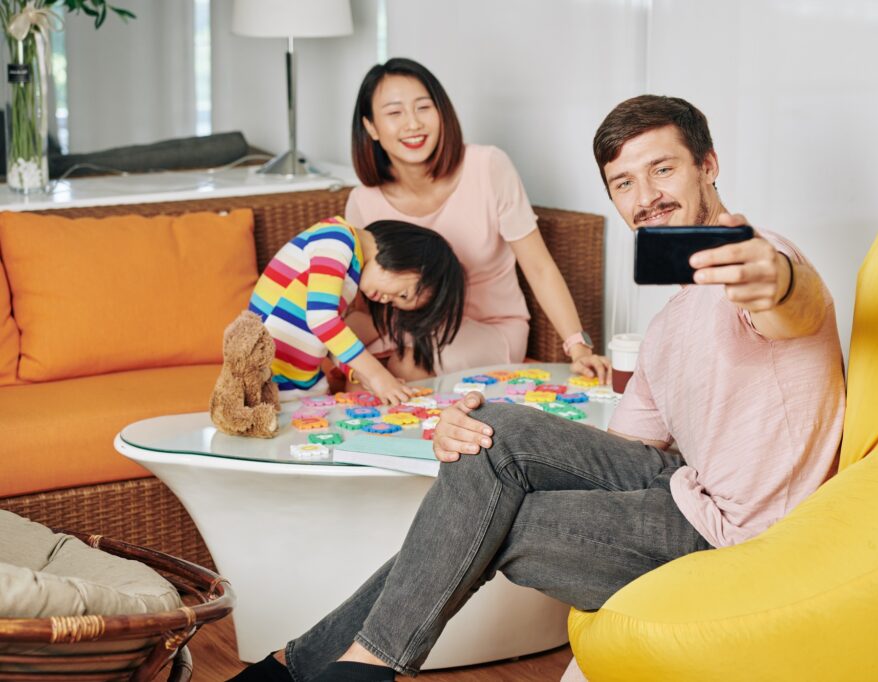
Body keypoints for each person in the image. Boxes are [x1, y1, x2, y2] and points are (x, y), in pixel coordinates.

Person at [230, 95, 846, 682]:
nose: (647, 196)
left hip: (739, 536)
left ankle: (333, 666)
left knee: (499, 522)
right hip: (681, 488)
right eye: (624, 184)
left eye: (663, 169)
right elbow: (625, 457)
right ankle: (323, 664)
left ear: (708, 166)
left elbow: (794, 305)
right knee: (488, 433)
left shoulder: (763, 264)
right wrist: (468, 432)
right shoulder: (665, 328)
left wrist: (779, 279)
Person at [343, 57, 610, 383]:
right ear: (370, 126)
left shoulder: (488, 166)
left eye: (423, 108)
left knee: (410, 365)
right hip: (405, 331)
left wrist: (578, 346)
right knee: (349, 359)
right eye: (395, 113)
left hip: (490, 329)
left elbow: (539, 266)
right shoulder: (363, 201)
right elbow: (358, 305)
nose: (413, 124)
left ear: (442, 112)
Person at [249, 217, 464, 405]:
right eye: (403, 294)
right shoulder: (336, 238)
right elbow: (323, 322)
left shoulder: (349, 271)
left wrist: (360, 375)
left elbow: (327, 339)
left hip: (300, 383)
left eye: (395, 303)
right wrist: (377, 374)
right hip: (268, 376)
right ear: (408, 257)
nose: (387, 300)